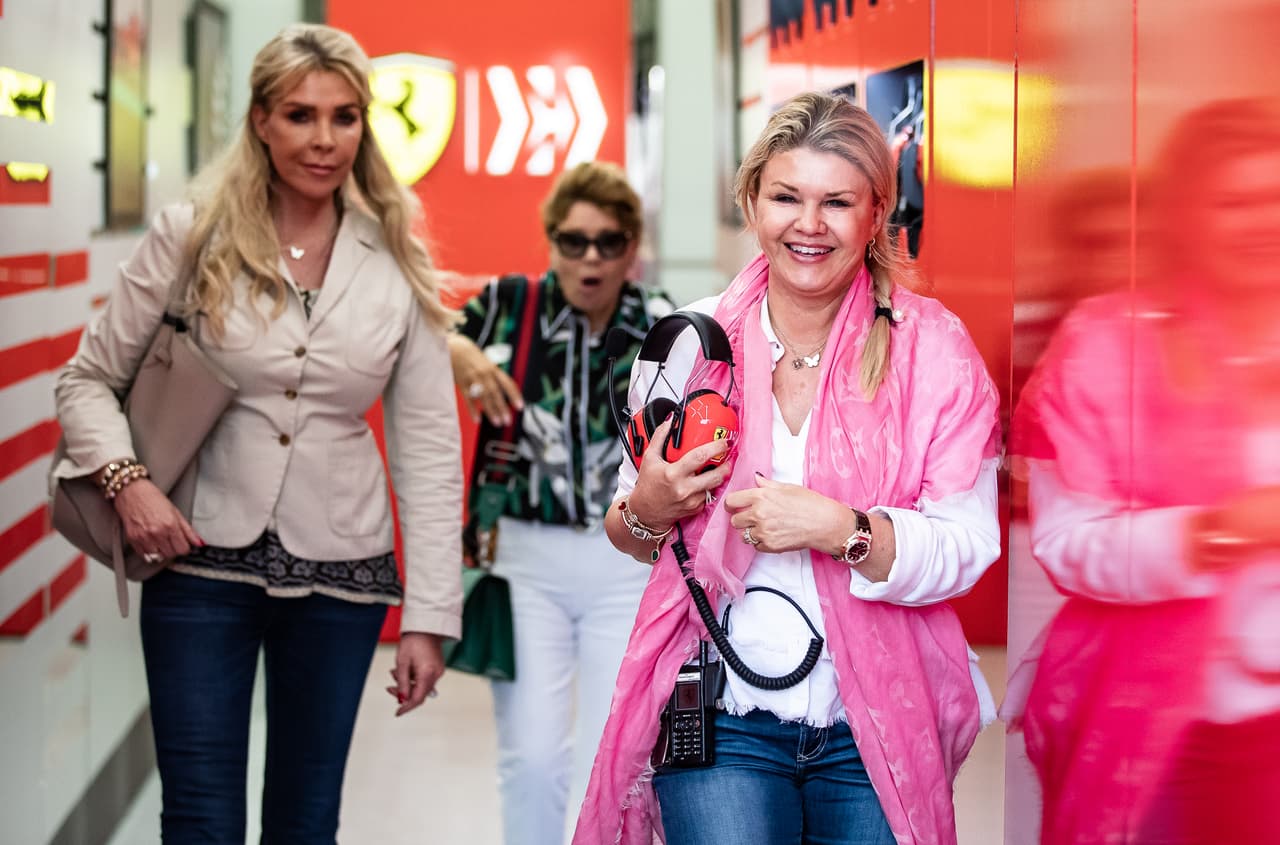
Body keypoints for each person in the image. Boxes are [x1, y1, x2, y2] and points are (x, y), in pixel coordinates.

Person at [51, 23, 462, 842]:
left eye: (344, 117)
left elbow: (429, 450)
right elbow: (86, 380)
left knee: (305, 822)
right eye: (301, 115)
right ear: (261, 121)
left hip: (342, 573)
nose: (324, 139)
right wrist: (127, 484)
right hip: (197, 560)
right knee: (200, 816)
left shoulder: (394, 260)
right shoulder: (191, 235)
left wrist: (430, 615)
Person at [574, 91, 1002, 845]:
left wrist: (846, 530)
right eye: (786, 197)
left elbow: (968, 544)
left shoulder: (931, 351)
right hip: (720, 714)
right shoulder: (690, 344)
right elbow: (631, 531)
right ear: (752, 202)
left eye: (837, 202)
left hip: (875, 722)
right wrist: (651, 500)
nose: (809, 225)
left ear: (877, 213)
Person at [1013, 98, 1280, 845]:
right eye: (1235, 201)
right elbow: (1068, 542)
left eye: (1275, 198)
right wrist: (1216, 533)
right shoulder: (1108, 344)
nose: (1262, 222)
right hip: (1155, 733)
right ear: (1189, 215)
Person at [447, 161, 672, 845]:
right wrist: (457, 348)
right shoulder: (509, 303)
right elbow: (421, 330)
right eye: (574, 241)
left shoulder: (660, 322)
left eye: (609, 241)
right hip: (524, 558)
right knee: (534, 755)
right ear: (552, 242)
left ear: (632, 245)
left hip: (626, 558)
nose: (591, 258)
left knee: (622, 753)